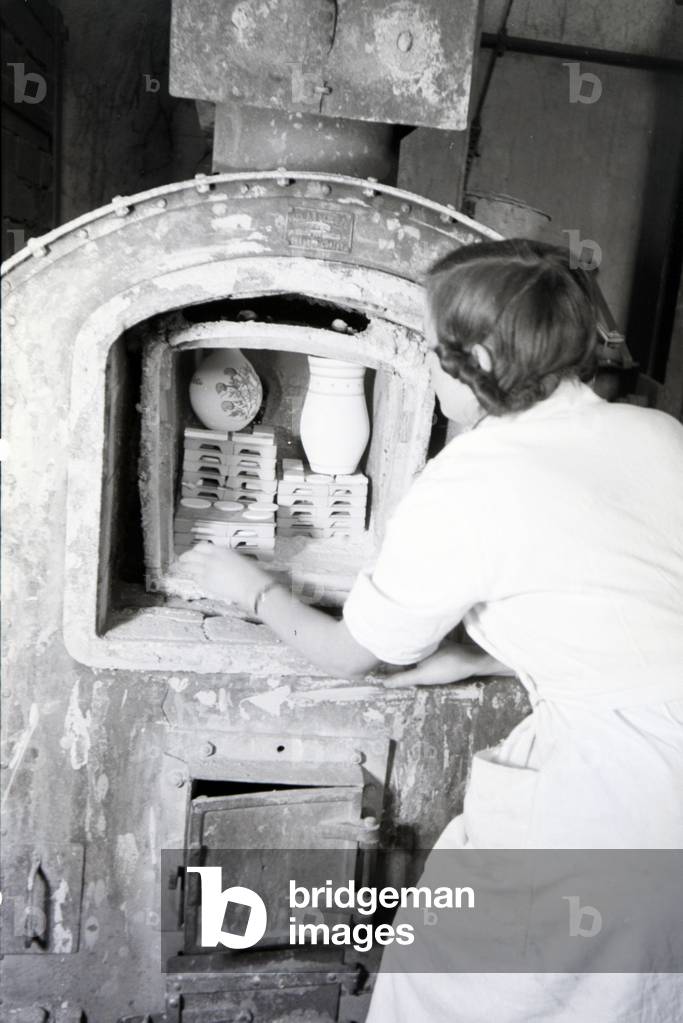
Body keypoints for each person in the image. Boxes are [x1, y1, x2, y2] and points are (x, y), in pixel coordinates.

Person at [179, 239, 683, 1021]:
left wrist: (251, 590)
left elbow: (352, 653)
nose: (427, 364)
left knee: (455, 991)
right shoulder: (658, 436)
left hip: (610, 800)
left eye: (433, 348)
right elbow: (629, 612)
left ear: (478, 357)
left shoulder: (474, 478)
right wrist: (487, 654)